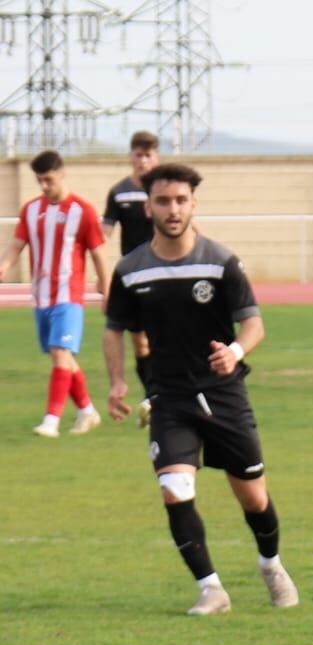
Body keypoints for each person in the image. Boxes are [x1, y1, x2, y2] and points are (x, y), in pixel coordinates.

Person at [100, 163, 297, 617]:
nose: (173, 209)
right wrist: (116, 383)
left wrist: (234, 350)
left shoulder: (221, 261)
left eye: (181, 200)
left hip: (224, 395)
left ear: (194, 204)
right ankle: (211, 589)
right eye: (164, 201)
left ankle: (271, 564)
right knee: (174, 488)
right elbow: (114, 329)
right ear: (148, 206)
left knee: (254, 497)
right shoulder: (130, 270)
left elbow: (253, 323)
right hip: (169, 399)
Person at [2, 150, 111, 437]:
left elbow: (99, 253)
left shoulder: (82, 211)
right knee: (61, 357)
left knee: (62, 354)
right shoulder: (31, 210)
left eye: (49, 180)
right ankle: (87, 410)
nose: (44, 186)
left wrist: (106, 288)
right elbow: (17, 244)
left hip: (68, 296)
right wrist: (4, 266)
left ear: (62, 175)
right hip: (42, 296)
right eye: (40, 181)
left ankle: (52, 419)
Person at [104, 131, 161, 397]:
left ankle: (165, 393)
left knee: (166, 337)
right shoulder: (119, 193)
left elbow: (188, 227)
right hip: (134, 278)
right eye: (139, 155)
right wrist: (103, 276)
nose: (143, 160)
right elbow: (103, 235)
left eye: (148, 155)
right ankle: (152, 394)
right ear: (131, 157)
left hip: (164, 273)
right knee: (140, 343)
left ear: (156, 157)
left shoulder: (163, 192)